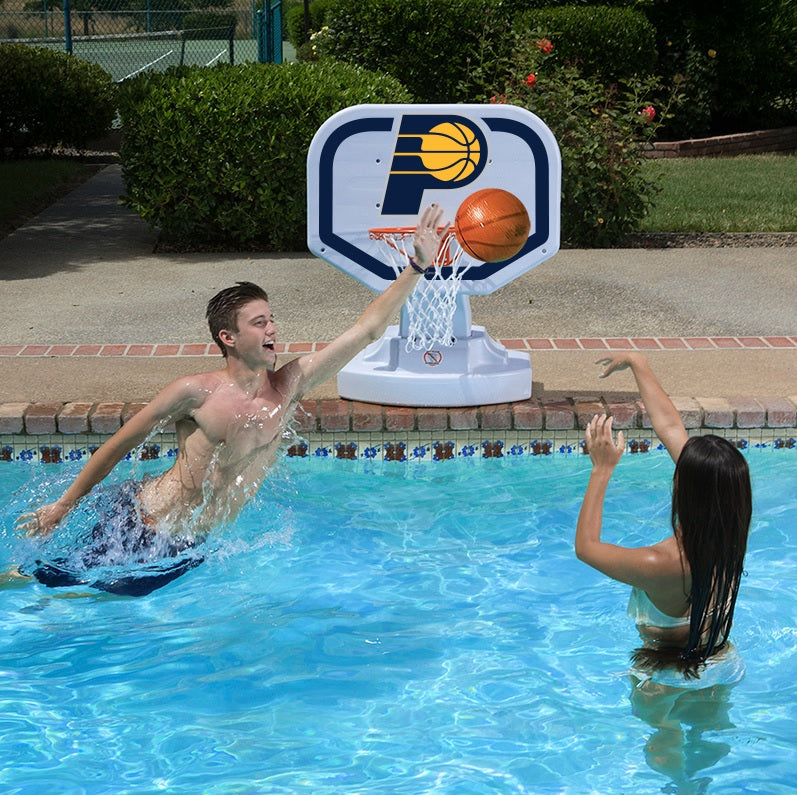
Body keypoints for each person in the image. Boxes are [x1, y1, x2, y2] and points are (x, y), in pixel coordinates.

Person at [13, 204, 451, 595]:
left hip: (192, 543)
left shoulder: (290, 384)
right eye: (259, 323)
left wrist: (415, 267)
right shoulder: (195, 392)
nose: (273, 330)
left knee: (86, 606)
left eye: (272, 320)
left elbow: (367, 331)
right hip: (143, 524)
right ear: (228, 337)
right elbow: (119, 445)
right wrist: (63, 505)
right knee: (43, 588)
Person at [575, 352, 752, 689]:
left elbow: (586, 548)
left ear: (685, 490)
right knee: (713, 739)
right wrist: (638, 364)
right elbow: (671, 427)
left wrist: (601, 469)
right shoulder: (731, 526)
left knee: (664, 739)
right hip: (719, 659)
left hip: (662, 676)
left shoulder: (662, 563)